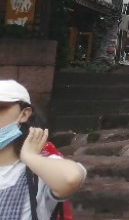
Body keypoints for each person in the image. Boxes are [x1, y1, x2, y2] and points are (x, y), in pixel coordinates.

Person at [0, 79, 86, 219]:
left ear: (24, 114)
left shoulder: (38, 172)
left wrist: (30, 157)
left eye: (0, 108)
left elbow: (70, 178)